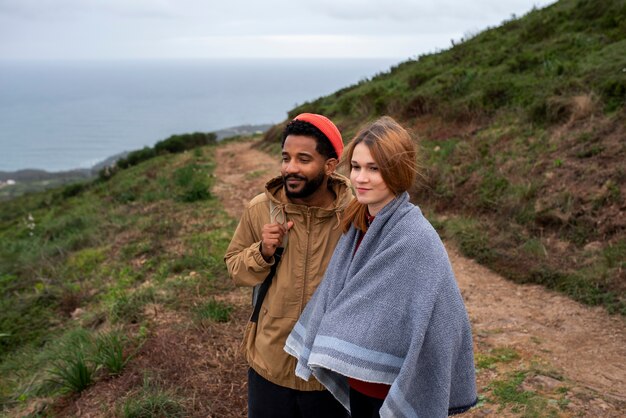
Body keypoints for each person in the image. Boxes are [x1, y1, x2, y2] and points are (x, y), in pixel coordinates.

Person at [284, 116, 477, 417]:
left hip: (388, 389)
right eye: (357, 167)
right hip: (360, 382)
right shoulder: (359, 224)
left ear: (397, 172)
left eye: (374, 169)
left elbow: (447, 319)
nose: (360, 178)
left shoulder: (416, 237)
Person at [224, 113, 353, 418]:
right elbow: (235, 269)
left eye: (303, 159)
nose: (290, 168)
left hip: (329, 374)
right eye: (286, 157)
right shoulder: (261, 209)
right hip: (269, 368)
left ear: (330, 165)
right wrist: (263, 252)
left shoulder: (354, 216)